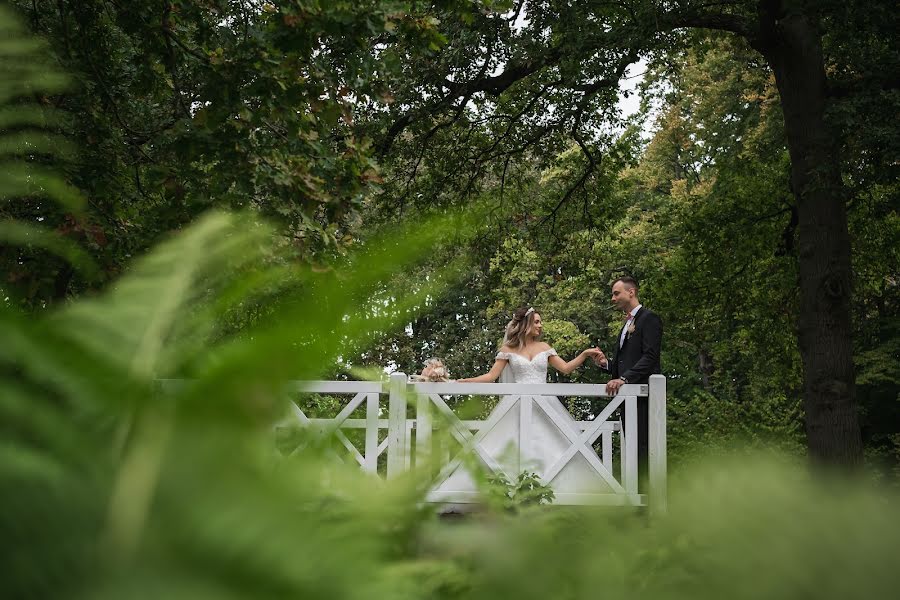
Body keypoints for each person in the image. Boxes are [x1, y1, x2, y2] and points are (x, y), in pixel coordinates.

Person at [593, 276, 663, 487]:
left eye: (616, 293)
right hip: (628, 396)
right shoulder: (627, 323)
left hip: (643, 396)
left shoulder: (649, 319)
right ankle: (635, 495)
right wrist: (606, 364)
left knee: (644, 446)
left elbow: (650, 357)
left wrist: (624, 378)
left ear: (631, 292)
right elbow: (626, 361)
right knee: (631, 446)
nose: (613, 298)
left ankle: (647, 498)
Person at [456, 306, 602, 384]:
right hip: (518, 400)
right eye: (537, 322)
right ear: (526, 324)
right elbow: (491, 376)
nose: (541, 325)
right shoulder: (508, 350)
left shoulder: (544, 347)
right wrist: (464, 381)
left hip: (544, 400)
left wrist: (584, 354)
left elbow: (565, 368)